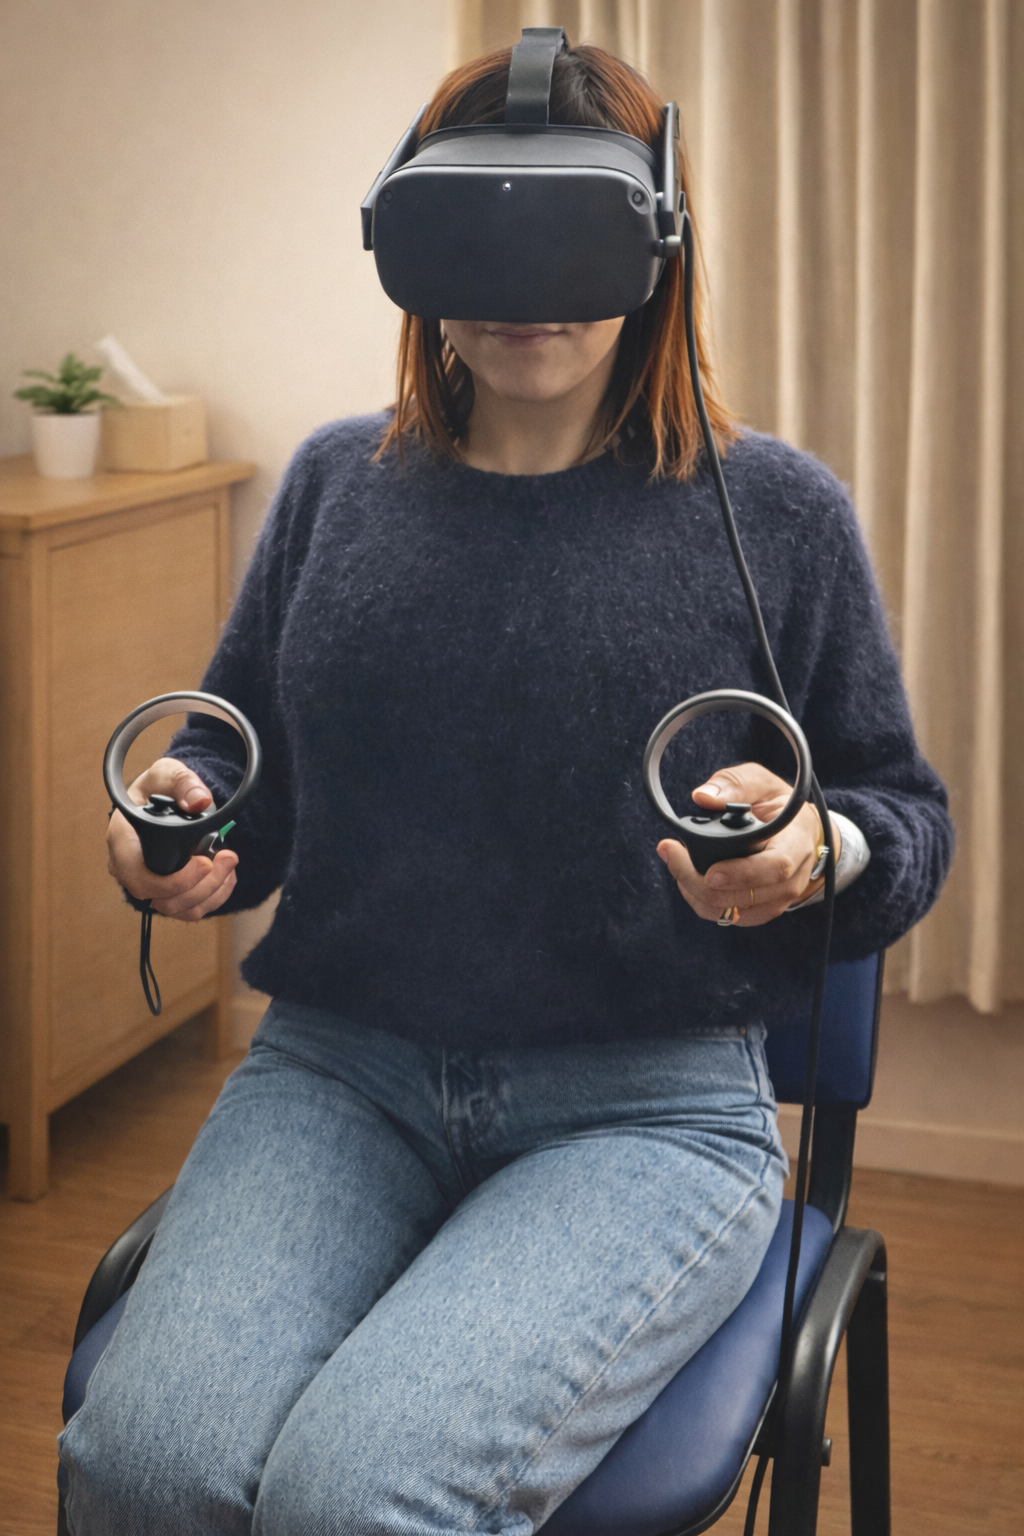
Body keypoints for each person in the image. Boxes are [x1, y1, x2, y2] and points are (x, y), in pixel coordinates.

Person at [60, 39, 952, 1536]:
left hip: (646, 1112)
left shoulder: (778, 515)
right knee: (142, 1471)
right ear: (406, 239)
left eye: (571, 228)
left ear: (657, 241)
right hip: (342, 1075)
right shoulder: (340, 488)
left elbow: (900, 817)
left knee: (355, 1498)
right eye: (478, 226)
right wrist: (175, 820)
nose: (523, 284)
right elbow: (238, 767)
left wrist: (821, 849)